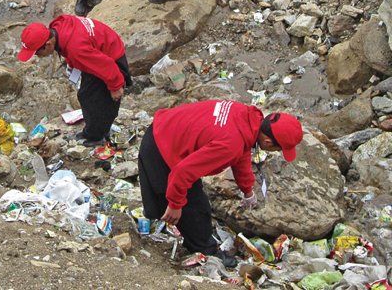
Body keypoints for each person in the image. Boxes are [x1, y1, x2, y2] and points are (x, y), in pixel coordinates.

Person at [138, 99, 303, 266]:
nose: (278, 152)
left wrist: (247, 190)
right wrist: (175, 204)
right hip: (162, 150)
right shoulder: (231, 144)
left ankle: (167, 221)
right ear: (268, 143)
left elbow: (242, 154)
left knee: (170, 203)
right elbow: (182, 171)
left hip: (165, 129)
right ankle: (207, 252)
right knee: (195, 209)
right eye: (279, 149)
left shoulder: (245, 117)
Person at [17, 16, 132, 147]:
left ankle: (96, 136)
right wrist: (72, 63)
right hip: (101, 48)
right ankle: (95, 130)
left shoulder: (76, 48)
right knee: (85, 94)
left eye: (37, 53)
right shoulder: (59, 26)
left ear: (48, 45)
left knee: (95, 99)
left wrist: (115, 86)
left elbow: (106, 64)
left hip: (111, 58)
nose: (38, 56)